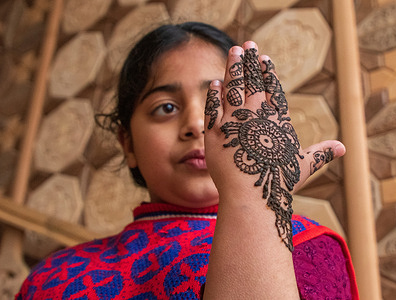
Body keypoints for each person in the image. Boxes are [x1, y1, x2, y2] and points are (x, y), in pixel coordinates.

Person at [17, 22, 359, 299]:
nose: (197, 123)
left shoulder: (305, 245)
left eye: (220, 102)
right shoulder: (55, 277)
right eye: (166, 107)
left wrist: (255, 205)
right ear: (128, 144)